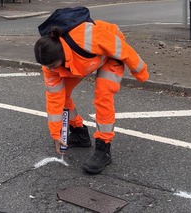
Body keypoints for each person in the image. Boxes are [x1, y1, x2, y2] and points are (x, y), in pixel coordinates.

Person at [34, 17, 149, 174]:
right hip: (82, 63)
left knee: (103, 95)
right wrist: (56, 133)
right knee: (63, 95)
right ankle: (79, 133)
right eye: (47, 67)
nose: (50, 69)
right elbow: (54, 99)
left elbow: (122, 49)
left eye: (53, 66)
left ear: (62, 56)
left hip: (109, 54)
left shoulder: (86, 38)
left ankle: (103, 149)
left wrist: (140, 71)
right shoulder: (50, 65)